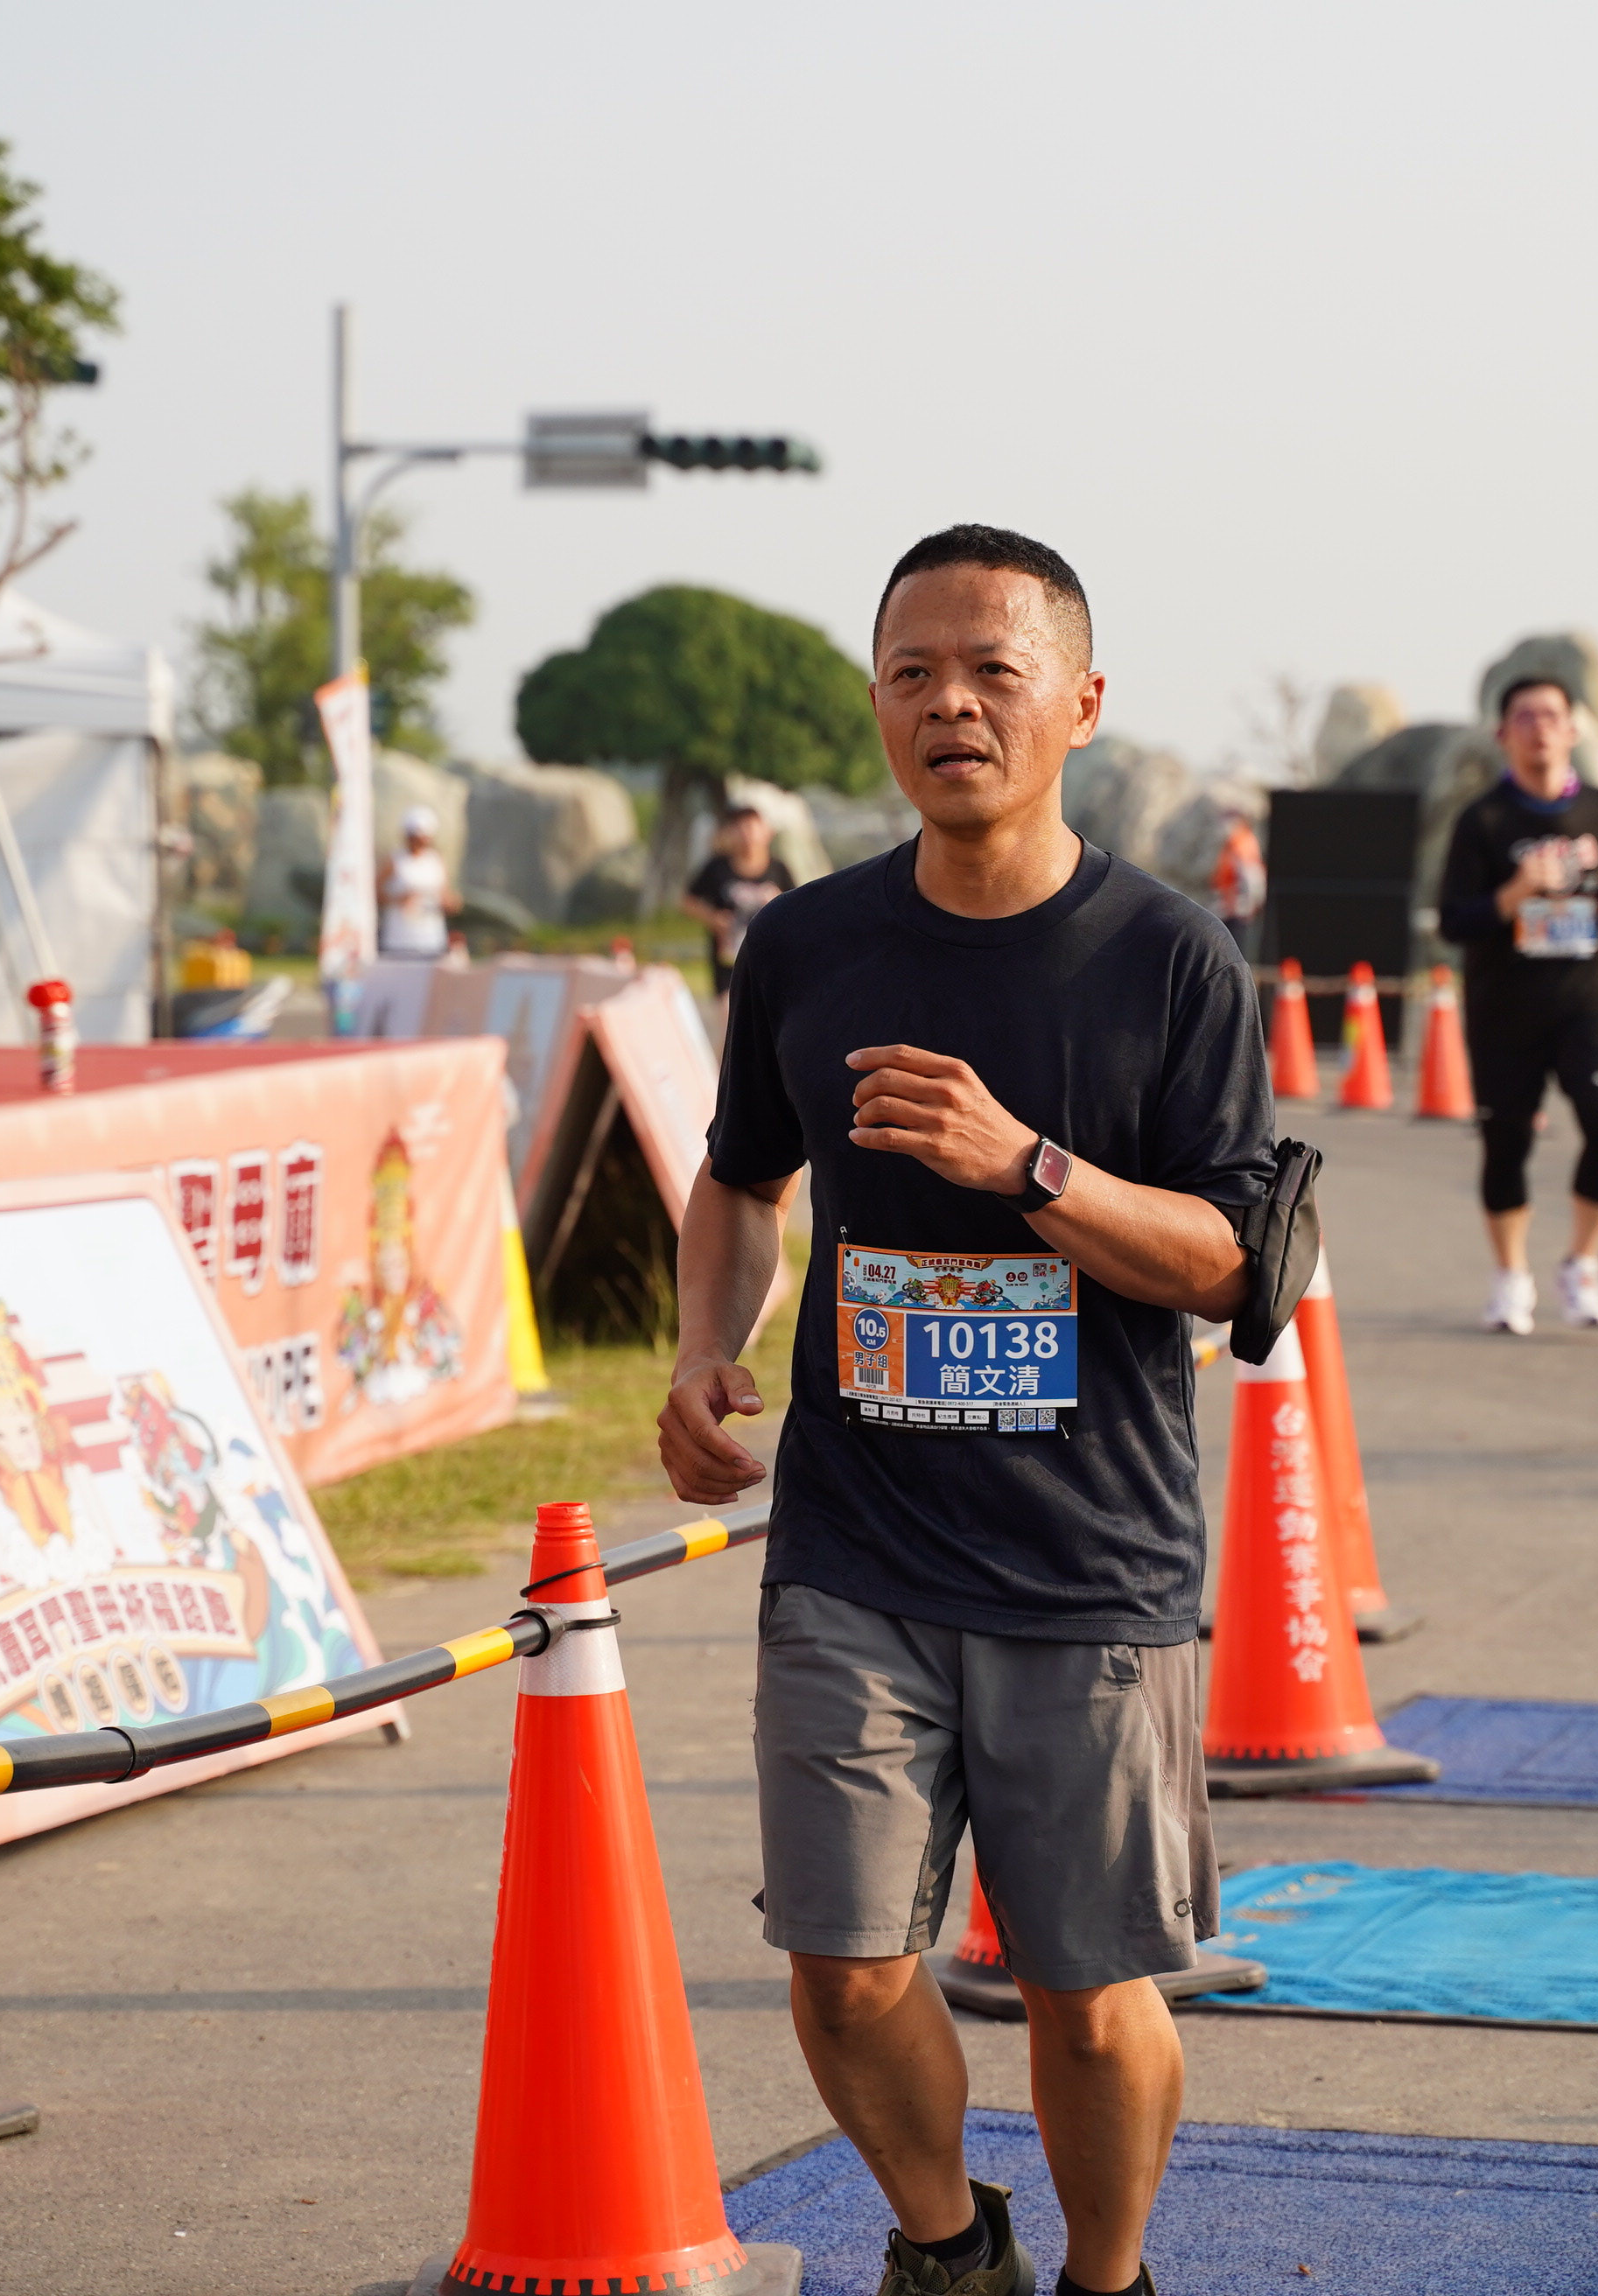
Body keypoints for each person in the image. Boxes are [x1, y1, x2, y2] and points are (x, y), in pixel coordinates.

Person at [658, 524, 1272, 2296]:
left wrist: (1030, 1167)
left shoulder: (1170, 960)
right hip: (855, 1546)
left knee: (1085, 1993)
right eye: (913, 673)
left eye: (995, 671)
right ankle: (949, 2252)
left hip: (1090, 1562)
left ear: (1080, 702)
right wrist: (703, 1346)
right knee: (846, 1965)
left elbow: (1232, 1261)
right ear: (878, 705)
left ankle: (1108, 2277)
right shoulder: (808, 943)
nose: (951, 706)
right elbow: (740, 1178)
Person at [1437, 674, 1598, 1334]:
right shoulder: (1483, 820)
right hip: (1506, 1007)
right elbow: (1453, 920)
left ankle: (1582, 1264)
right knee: (1506, 1143)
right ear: (1503, 734)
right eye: (1525, 717)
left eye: (1552, 716)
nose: (1540, 729)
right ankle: (1511, 1277)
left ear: (1573, 730)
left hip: (1591, 1000)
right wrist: (1514, 894)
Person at [682, 802, 799, 1000]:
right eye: (741, 828)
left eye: (753, 828)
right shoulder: (717, 868)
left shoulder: (779, 869)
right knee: (730, 1011)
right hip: (730, 960)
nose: (747, 835)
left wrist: (777, 902)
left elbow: (798, 909)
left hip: (769, 958)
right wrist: (713, 918)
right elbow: (688, 901)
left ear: (767, 832)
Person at [377, 805, 459, 958]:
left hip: (431, 939)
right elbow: (374, 893)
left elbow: (445, 895)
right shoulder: (395, 860)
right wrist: (398, 900)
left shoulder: (435, 861)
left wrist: (450, 903)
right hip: (400, 939)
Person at [1208, 814, 1267, 960]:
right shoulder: (1234, 843)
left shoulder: (1241, 843)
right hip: (1229, 906)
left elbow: (1250, 877)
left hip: (1235, 908)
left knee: (1231, 950)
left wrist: (1251, 903)